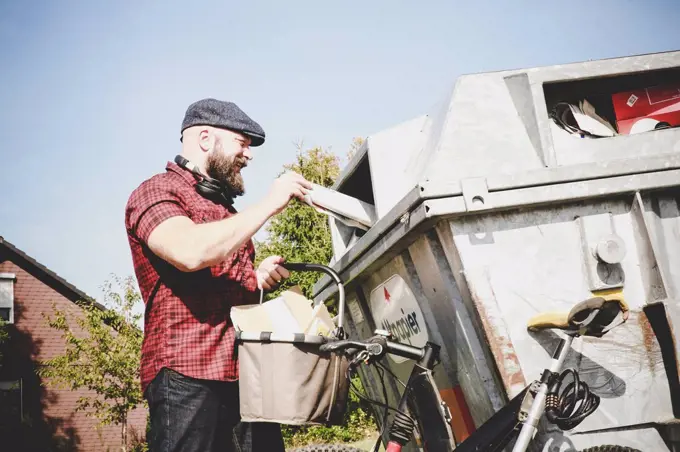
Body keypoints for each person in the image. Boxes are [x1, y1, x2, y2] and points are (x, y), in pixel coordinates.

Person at [124, 98, 313, 452]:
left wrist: (256, 278)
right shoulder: (157, 191)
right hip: (187, 377)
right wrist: (270, 204)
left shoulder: (225, 210)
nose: (249, 155)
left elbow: (220, 282)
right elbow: (188, 251)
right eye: (242, 143)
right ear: (206, 138)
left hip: (247, 378)